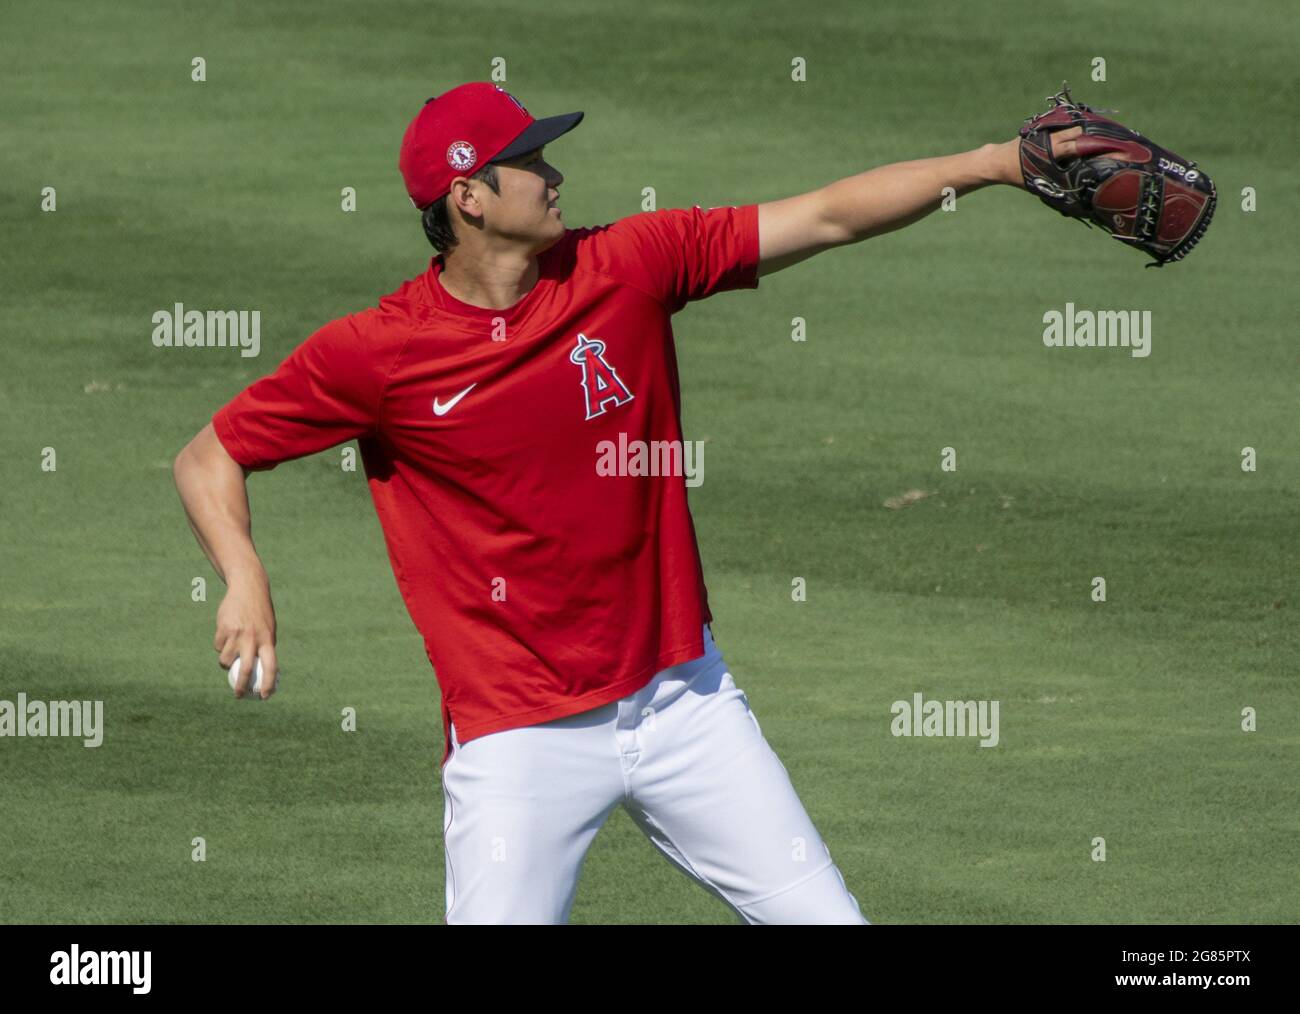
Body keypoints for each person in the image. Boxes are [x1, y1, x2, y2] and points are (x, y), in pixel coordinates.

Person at [173, 81, 1105, 924]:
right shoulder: (377, 352)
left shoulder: (629, 264)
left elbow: (824, 217)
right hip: (517, 735)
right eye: (529, 162)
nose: (554, 173)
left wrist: (995, 166)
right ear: (468, 197)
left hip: (684, 702)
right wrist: (244, 576)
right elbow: (209, 456)